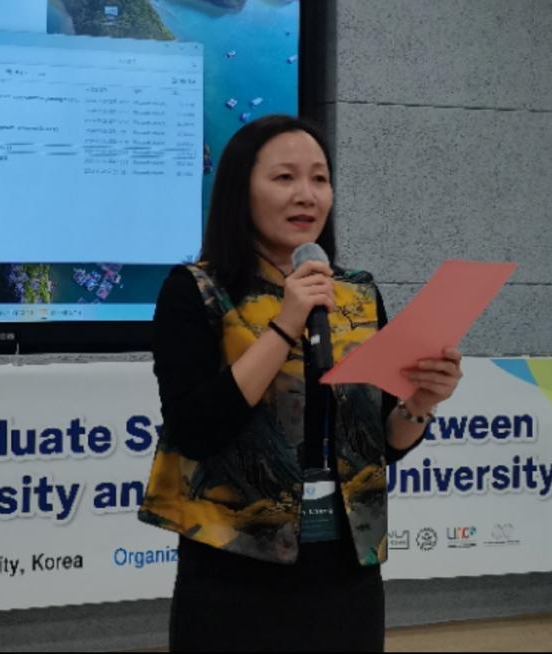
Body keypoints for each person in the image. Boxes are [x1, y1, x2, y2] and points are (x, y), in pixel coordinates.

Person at [139, 114, 463, 652]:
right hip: (234, 568)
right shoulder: (195, 291)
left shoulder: (356, 295)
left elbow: (379, 447)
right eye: (284, 177)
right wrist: (285, 323)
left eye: (319, 178)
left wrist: (420, 402)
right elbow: (196, 429)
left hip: (345, 565)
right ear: (240, 190)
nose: (306, 195)